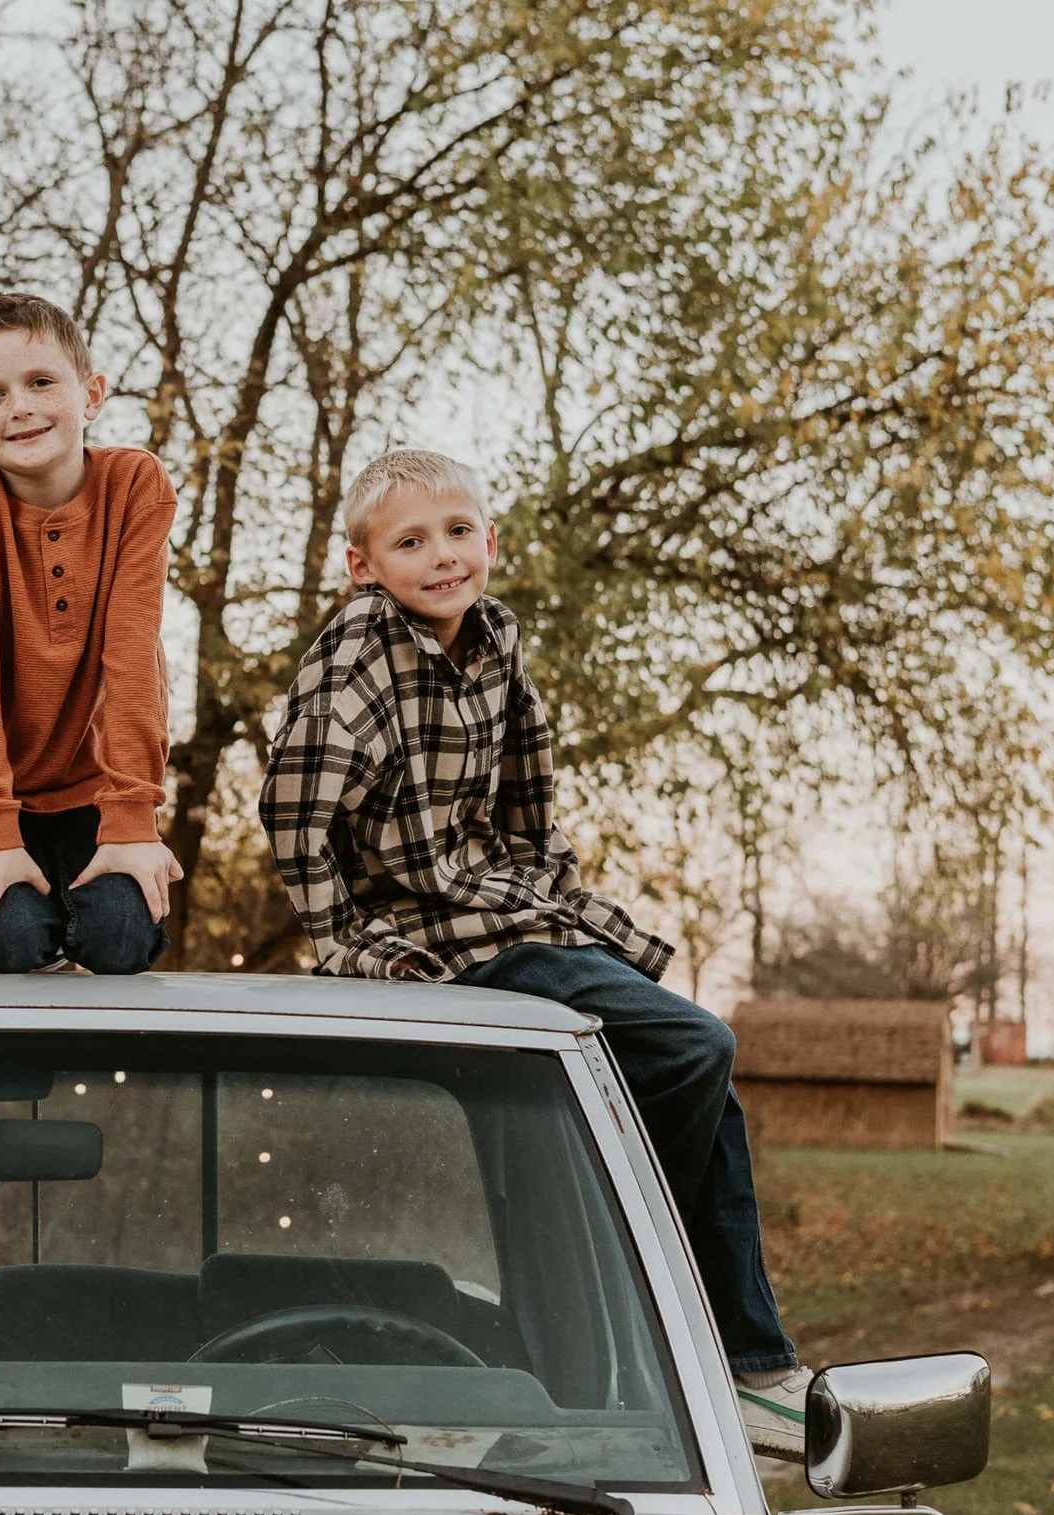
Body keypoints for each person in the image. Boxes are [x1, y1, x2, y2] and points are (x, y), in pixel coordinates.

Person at [258, 447, 810, 1458]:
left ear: (491, 541)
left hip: (509, 906)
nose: (441, 556)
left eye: (458, 532)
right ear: (360, 565)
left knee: (693, 1088)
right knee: (695, 1047)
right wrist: (345, 940)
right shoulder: (355, 657)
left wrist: (552, 885)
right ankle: (677, 1303)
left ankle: (741, 1357)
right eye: (410, 541)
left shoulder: (496, 639)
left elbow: (529, 796)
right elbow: (293, 807)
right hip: (437, 936)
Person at [0, 289, 179, 975]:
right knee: (9, 940)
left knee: (122, 939)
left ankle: (71, 909)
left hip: (88, 783)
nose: (21, 407)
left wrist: (132, 819)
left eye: (40, 383)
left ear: (90, 394)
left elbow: (133, 662)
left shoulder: (136, 487)